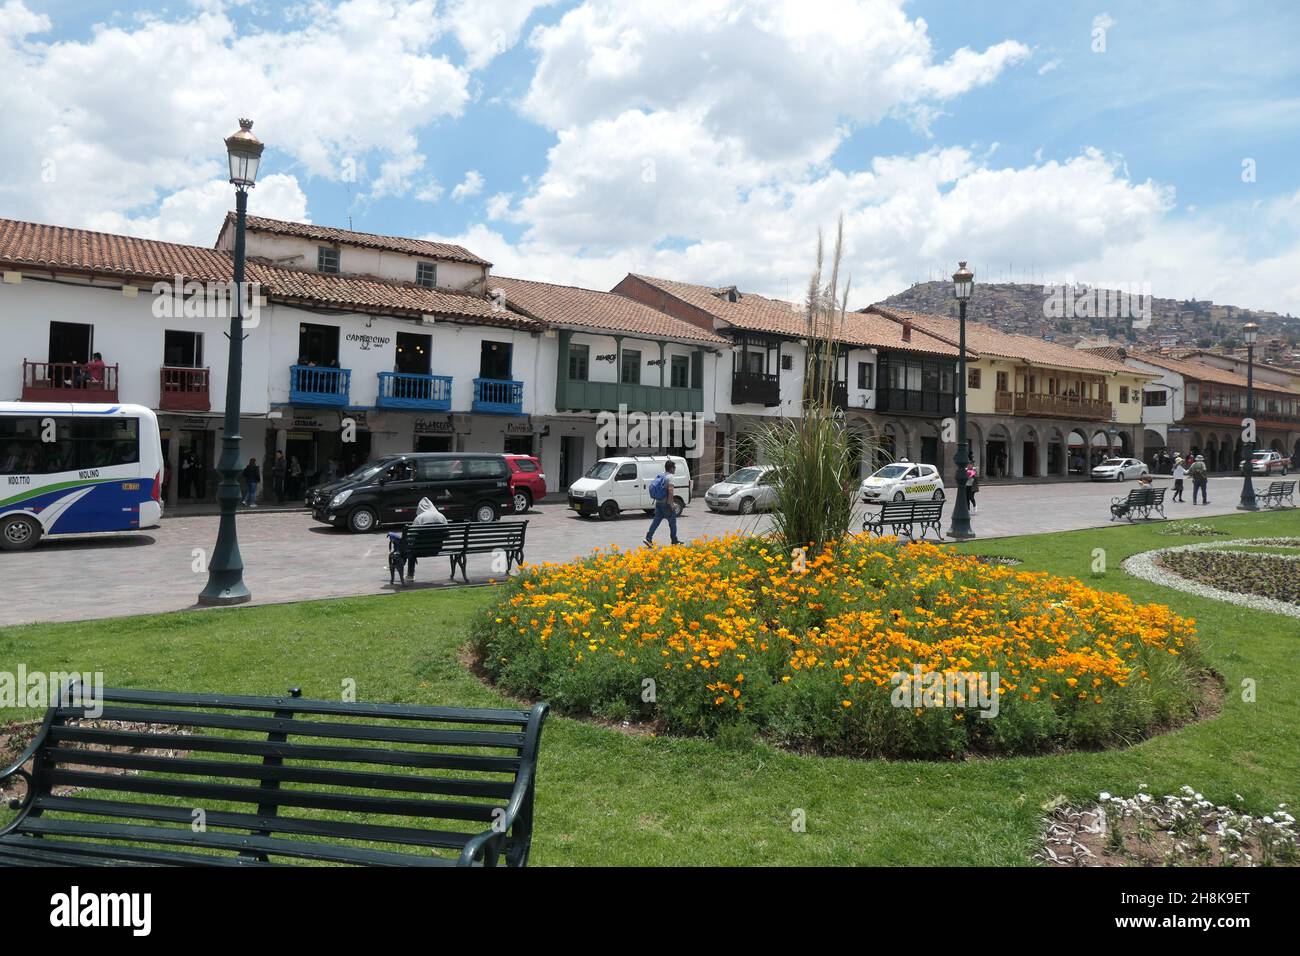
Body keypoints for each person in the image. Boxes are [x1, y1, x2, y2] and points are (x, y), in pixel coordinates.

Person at [644, 460, 682, 547]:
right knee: (672, 522)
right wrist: (671, 504)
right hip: (666, 504)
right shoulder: (670, 477)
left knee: (656, 521)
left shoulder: (662, 475)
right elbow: (670, 491)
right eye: (674, 467)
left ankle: (648, 538)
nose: (675, 469)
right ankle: (674, 541)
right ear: (672, 468)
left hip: (658, 502)